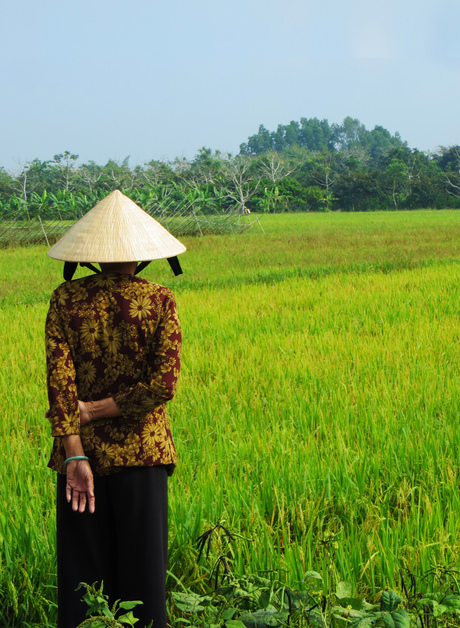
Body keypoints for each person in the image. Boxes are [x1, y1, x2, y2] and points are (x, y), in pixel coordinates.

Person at [45, 190, 186, 628]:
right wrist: (101, 409)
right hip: (143, 457)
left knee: (83, 585)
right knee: (144, 587)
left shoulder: (65, 300)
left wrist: (75, 451)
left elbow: (59, 384)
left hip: (79, 460)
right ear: (143, 255)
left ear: (90, 255)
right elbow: (163, 386)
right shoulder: (160, 300)